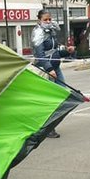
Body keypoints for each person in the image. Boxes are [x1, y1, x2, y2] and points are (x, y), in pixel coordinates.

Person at [32, 9, 74, 138]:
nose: (48, 21)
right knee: (50, 100)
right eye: (45, 20)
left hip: (56, 68)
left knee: (62, 96)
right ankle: (48, 128)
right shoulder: (38, 33)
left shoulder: (50, 32)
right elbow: (40, 55)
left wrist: (67, 51)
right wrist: (49, 69)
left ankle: (48, 126)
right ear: (39, 20)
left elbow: (55, 52)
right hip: (46, 71)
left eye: (49, 19)